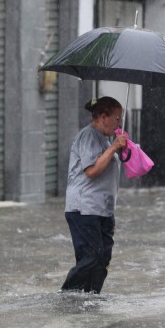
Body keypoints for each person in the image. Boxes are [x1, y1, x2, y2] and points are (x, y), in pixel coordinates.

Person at [61, 97, 128, 294]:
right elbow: (92, 171)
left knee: (103, 259)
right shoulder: (88, 136)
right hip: (84, 208)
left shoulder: (105, 139)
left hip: (101, 210)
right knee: (91, 257)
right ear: (103, 116)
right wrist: (114, 147)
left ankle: (91, 298)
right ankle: (68, 295)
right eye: (117, 118)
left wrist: (109, 214)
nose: (119, 123)